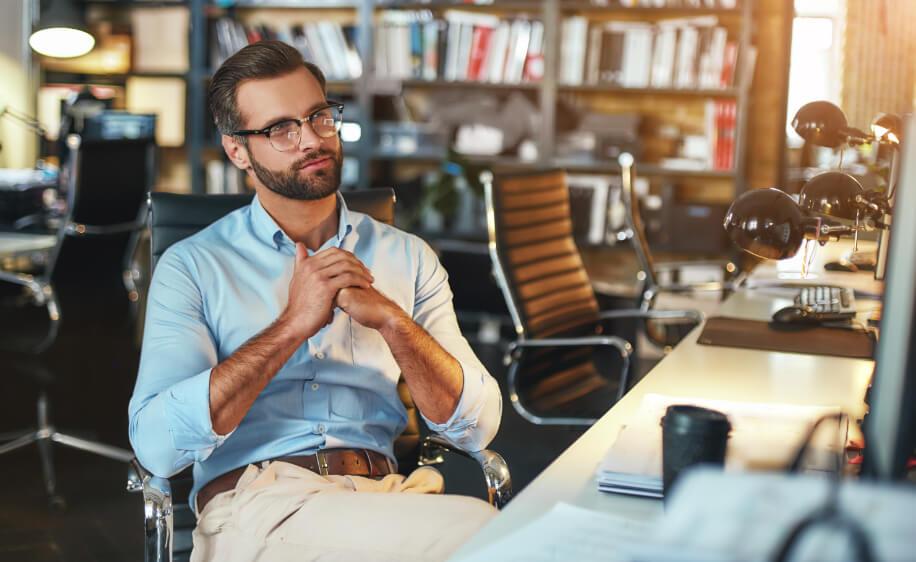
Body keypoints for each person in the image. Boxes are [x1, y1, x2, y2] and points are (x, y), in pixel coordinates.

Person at [128, 40, 502, 562]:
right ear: (237, 151)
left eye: (319, 117)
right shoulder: (192, 266)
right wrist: (292, 326)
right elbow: (157, 448)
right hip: (257, 507)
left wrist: (394, 323)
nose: (311, 139)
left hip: (387, 498)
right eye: (281, 129)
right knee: (482, 532)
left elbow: (476, 427)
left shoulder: (408, 257)